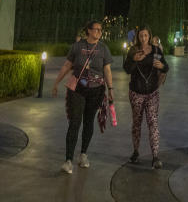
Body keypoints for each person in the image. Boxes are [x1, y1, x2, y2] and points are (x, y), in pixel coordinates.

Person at [51, 19, 115, 174]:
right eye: (96, 29)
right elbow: (67, 65)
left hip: (96, 90)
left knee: (88, 122)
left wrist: (111, 88)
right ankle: (68, 160)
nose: (99, 32)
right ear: (88, 31)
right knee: (75, 122)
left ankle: (83, 155)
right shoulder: (77, 47)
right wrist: (56, 82)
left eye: (101, 30)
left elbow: (107, 70)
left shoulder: (103, 48)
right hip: (78, 89)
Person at [123, 25, 168, 169]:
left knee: (153, 122)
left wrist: (161, 66)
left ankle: (155, 156)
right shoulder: (133, 50)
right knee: (137, 123)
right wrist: (134, 60)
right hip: (136, 92)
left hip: (152, 93)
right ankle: (136, 152)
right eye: (141, 36)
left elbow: (166, 67)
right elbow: (126, 69)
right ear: (138, 37)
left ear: (149, 36)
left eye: (146, 36)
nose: (143, 38)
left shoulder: (156, 50)